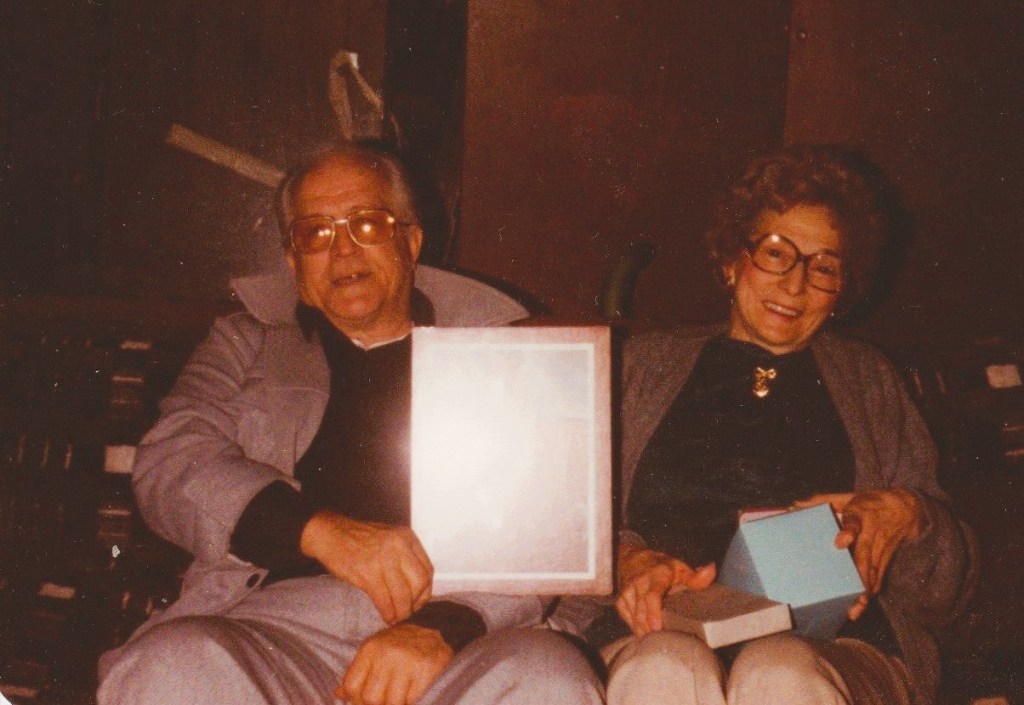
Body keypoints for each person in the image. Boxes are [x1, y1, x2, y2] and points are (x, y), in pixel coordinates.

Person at [96, 141, 604, 705]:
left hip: (465, 630)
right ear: (293, 262)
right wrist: (320, 530)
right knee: (169, 667)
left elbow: (546, 535)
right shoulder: (246, 343)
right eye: (316, 233)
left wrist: (443, 626)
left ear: (410, 242)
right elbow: (169, 461)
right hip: (270, 630)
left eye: (367, 223)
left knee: (547, 678)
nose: (342, 251)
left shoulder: (507, 353)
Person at [584, 144, 978, 705]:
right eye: (775, 253)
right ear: (731, 259)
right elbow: (566, 532)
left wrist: (912, 518)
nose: (795, 284)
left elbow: (948, 594)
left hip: (833, 647)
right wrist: (627, 561)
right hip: (652, 631)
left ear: (842, 291)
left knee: (779, 672)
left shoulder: (869, 381)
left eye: (824, 268)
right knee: (664, 665)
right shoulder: (639, 368)